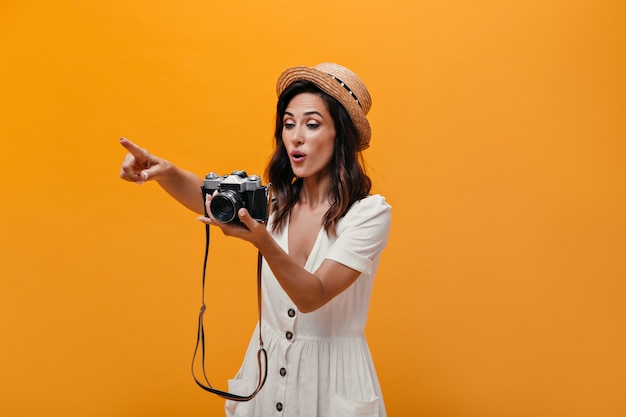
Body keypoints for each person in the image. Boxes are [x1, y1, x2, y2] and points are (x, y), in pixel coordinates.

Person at [119, 62, 391, 417]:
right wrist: (164, 172)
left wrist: (263, 241)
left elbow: (313, 295)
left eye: (311, 124)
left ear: (342, 135)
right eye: (288, 124)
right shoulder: (274, 200)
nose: (295, 136)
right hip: (266, 375)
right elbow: (205, 195)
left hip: (333, 382)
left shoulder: (368, 214)